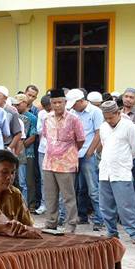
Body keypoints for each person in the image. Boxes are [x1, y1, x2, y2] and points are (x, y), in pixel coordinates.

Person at [39, 88, 86, 233]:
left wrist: (68, 152)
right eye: (54, 103)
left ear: (65, 102)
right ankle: (50, 222)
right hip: (49, 162)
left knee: (68, 196)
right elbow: (46, 137)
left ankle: (70, 224)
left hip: (66, 163)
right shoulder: (47, 118)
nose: (57, 105)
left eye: (60, 102)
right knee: (50, 196)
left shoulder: (74, 119)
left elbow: (81, 140)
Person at [97, 100, 135, 243]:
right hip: (105, 171)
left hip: (121, 172)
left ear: (118, 113)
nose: (109, 120)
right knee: (105, 206)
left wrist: (123, 161)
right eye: (106, 118)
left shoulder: (129, 126)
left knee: (126, 205)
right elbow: (104, 145)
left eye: (111, 117)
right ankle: (111, 231)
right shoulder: (104, 127)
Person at [68, 88, 105, 229]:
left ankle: (99, 219)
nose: (73, 107)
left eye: (74, 104)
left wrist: (90, 152)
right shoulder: (72, 112)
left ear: (81, 101)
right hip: (74, 154)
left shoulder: (95, 112)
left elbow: (98, 133)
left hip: (88, 154)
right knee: (80, 188)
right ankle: (82, 215)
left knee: (93, 189)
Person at [0, 149, 34, 226]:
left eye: (13, 172)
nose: (9, 177)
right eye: (4, 172)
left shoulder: (15, 194)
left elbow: (28, 226)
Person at [14, 94, 39, 209]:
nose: (16, 106)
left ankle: (31, 204)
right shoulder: (14, 115)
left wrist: (21, 146)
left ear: (25, 103)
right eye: (15, 104)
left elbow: (33, 136)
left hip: (28, 152)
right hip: (16, 151)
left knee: (29, 179)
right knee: (18, 180)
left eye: (18, 104)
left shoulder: (32, 117)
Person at [0, 86, 24, 153]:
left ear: (5, 98)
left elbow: (18, 134)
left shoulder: (11, 112)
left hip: (4, 147)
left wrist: (9, 148)